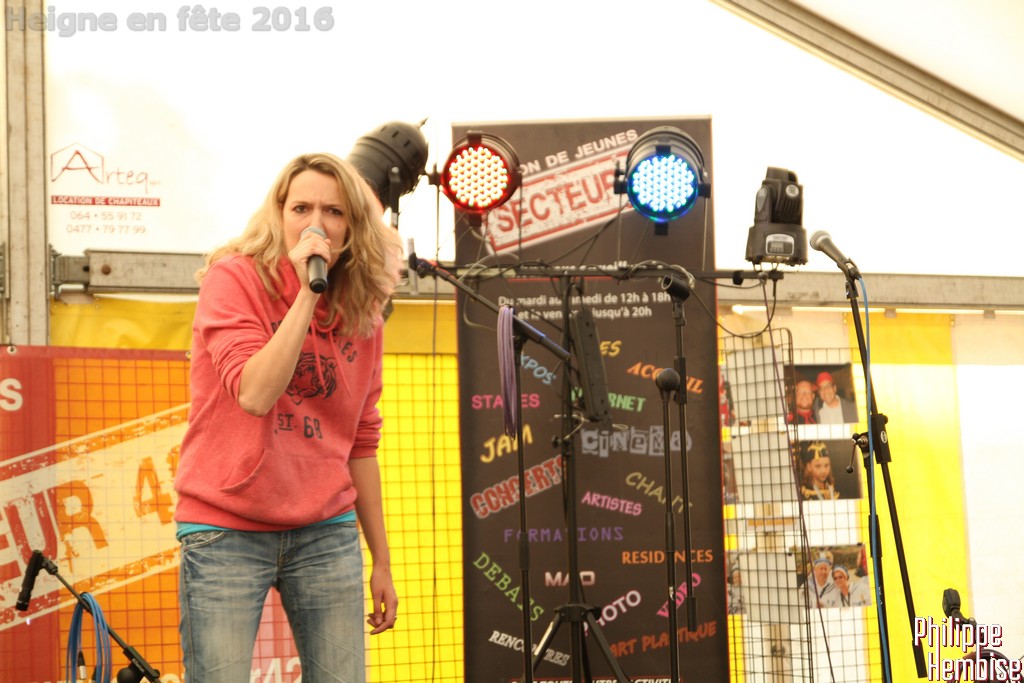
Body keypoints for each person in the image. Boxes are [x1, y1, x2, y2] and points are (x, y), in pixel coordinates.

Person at [173, 152, 402, 682]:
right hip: (226, 526)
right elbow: (255, 393)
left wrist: (382, 561)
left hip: (325, 529)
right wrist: (306, 293)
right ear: (278, 215)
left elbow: (361, 441)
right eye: (301, 208)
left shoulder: (363, 310)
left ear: (352, 228)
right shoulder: (234, 279)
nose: (316, 223)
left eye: (334, 211)